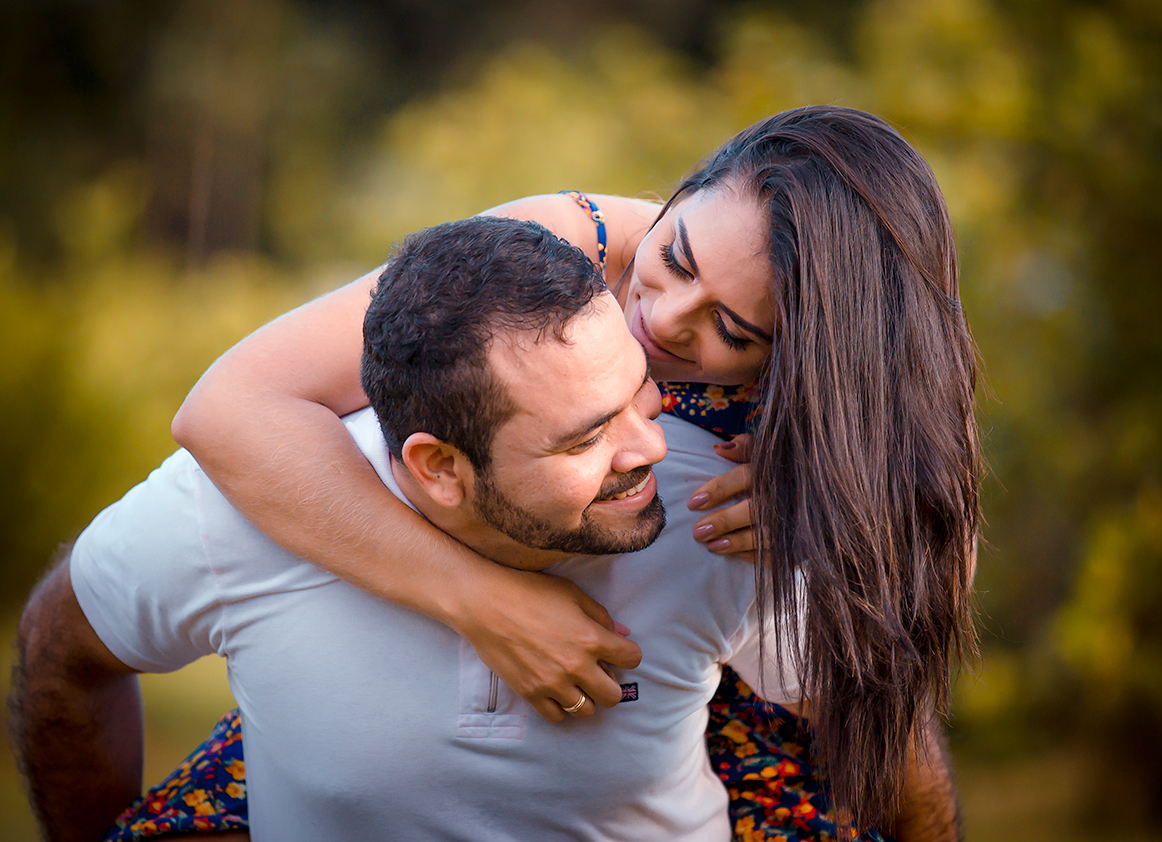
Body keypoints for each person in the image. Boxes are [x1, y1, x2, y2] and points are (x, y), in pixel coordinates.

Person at [144, 105, 980, 839]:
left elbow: (935, 567)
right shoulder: (557, 240)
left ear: (814, 355)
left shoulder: (862, 384)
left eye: (732, 328)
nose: (662, 318)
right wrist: (482, 602)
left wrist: (826, 496)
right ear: (684, 194)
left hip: (732, 701)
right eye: (677, 258)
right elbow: (227, 407)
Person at [12, 216, 813, 841]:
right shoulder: (247, 500)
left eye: (640, 394)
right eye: (581, 438)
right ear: (438, 469)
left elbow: (878, 715)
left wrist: (841, 515)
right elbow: (62, 650)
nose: (650, 445)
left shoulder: (732, 507)